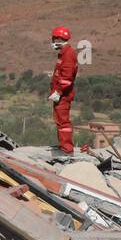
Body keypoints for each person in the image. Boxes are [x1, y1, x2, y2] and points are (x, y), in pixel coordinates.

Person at [47, 26, 79, 156]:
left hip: (63, 96)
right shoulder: (65, 53)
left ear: (60, 39)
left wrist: (58, 92)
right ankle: (63, 146)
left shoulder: (68, 55)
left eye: (55, 39)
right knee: (60, 121)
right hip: (61, 95)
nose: (53, 42)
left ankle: (66, 149)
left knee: (63, 122)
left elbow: (66, 78)